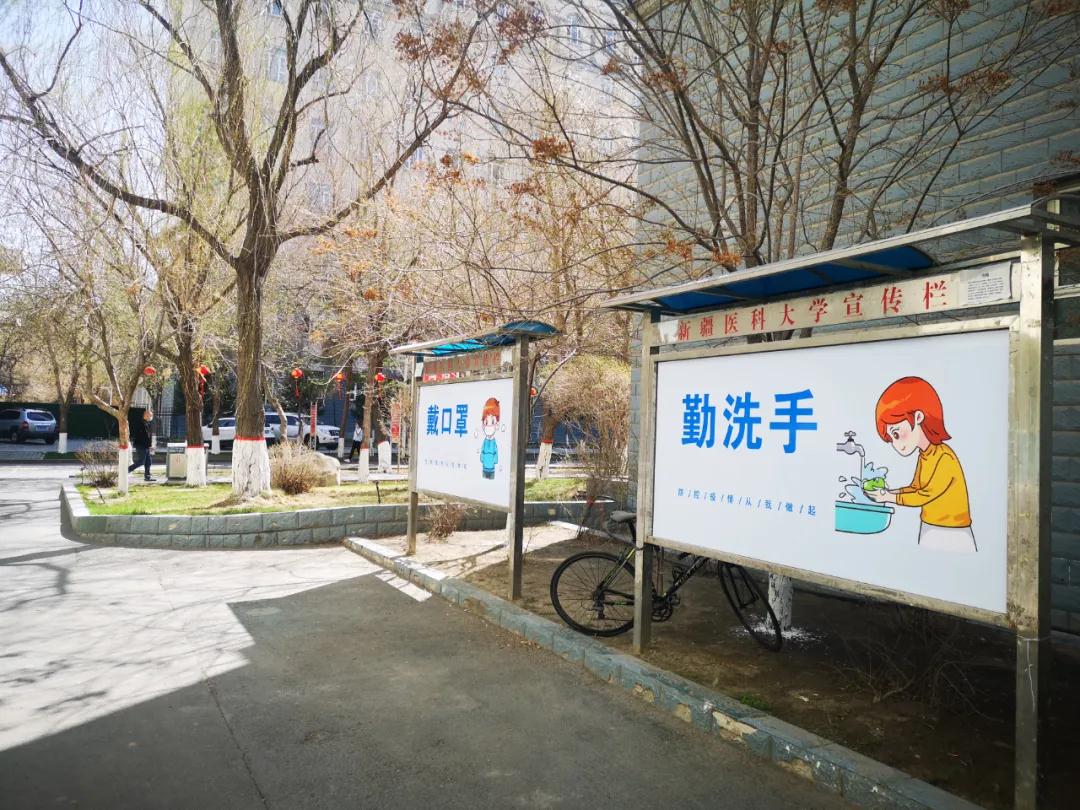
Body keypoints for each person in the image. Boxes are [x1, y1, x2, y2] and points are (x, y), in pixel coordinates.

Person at [866, 377, 975, 552]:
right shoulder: (925, 455)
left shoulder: (944, 457)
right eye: (891, 439)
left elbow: (925, 495)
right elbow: (915, 488)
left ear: (918, 417)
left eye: (896, 434)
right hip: (929, 527)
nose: (896, 445)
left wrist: (889, 497)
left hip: (953, 532)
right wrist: (890, 492)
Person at [127, 407, 156, 482]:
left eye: (151, 416)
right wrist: (149, 445)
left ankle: (147, 477)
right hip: (141, 446)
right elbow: (143, 437)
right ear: (146, 415)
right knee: (141, 462)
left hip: (146, 446)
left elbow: (148, 436)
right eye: (150, 416)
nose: (151, 417)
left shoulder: (147, 424)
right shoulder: (142, 424)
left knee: (148, 462)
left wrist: (150, 445)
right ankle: (127, 470)